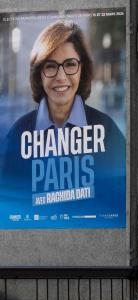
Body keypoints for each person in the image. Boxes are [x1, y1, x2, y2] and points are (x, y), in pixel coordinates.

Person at [1, 20, 125, 220]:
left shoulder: (107, 132)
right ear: (39, 74)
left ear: (82, 68)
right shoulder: (17, 134)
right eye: (50, 66)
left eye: (70, 64)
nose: (61, 76)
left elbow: (119, 205)